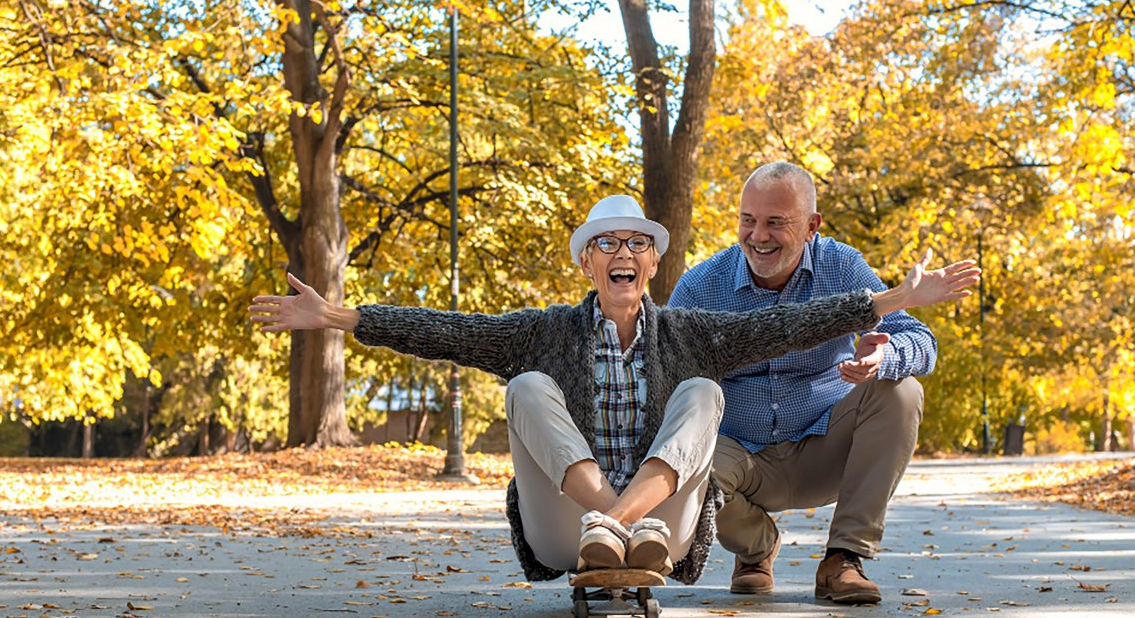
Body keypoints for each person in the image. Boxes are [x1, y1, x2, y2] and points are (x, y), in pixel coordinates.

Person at [250, 194, 978, 585]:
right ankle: (610, 520)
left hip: (665, 530)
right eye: (606, 243)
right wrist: (339, 316)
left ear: (653, 263)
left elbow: (798, 324)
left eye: (635, 243)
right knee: (529, 386)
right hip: (569, 525)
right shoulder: (544, 331)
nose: (622, 252)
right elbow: (446, 330)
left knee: (701, 393)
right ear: (587, 265)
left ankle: (630, 523)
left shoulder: (692, 330)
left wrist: (885, 300)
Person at [668, 161, 945, 603]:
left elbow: (921, 341)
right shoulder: (701, 285)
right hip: (739, 455)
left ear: (812, 225)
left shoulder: (842, 266)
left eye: (776, 222)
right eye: (748, 220)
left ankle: (843, 559)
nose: (758, 236)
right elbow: (665, 379)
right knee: (674, 458)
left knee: (902, 389)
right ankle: (757, 548)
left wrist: (883, 356)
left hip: (825, 448)